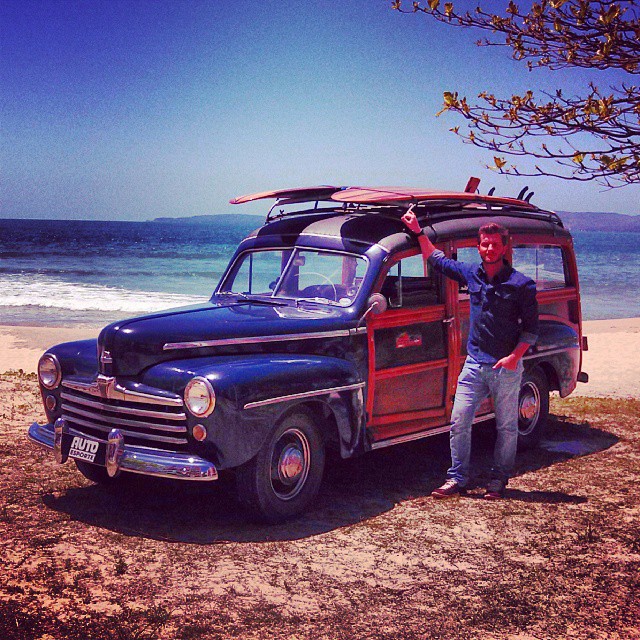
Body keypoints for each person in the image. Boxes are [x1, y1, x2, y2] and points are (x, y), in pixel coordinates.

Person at [402, 211, 538, 500]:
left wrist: (514, 357)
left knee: (506, 426)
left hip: (506, 366)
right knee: (459, 420)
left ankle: (499, 480)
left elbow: (531, 331)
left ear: (505, 247)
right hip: (474, 364)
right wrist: (416, 231)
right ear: (478, 247)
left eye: (494, 244)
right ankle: (457, 479)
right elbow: (436, 259)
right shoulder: (471, 274)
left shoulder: (521, 284)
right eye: (484, 244)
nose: (489, 249)